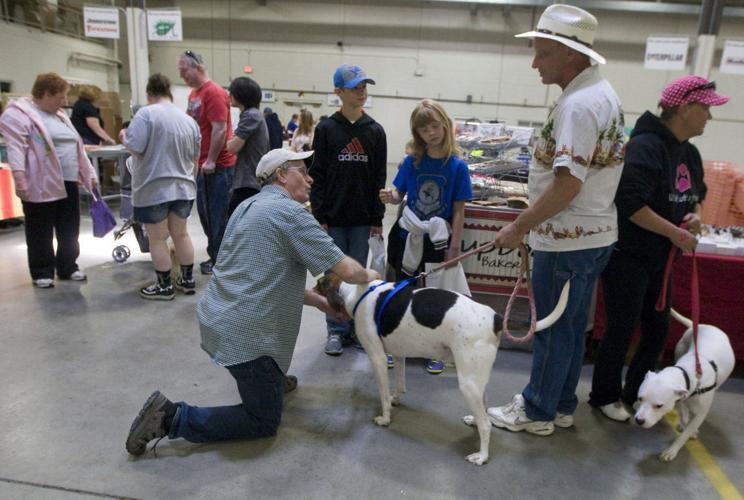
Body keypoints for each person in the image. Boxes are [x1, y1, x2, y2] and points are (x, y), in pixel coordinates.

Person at [125, 148, 380, 456]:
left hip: (218, 319)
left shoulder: (248, 206)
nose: (310, 179)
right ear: (282, 175)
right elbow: (348, 271)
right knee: (262, 421)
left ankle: (270, 381)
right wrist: (372, 273)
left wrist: (317, 301)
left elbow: (262, 275)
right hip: (245, 337)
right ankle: (172, 418)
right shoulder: (291, 213)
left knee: (263, 368)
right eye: (303, 170)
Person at [486, 4, 626, 436]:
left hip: (567, 239)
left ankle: (538, 410)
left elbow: (568, 185)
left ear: (570, 54)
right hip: (590, 235)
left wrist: (518, 226)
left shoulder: (579, 106)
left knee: (550, 327)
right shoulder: (599, 94)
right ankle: (561, 404)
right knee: (566, 328)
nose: (534, 63)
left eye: (542, 53)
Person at [588, 76, 729, 421]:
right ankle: (604, 395)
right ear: (684, 108)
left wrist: (693, 216)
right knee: (622, 327)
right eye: (706, 108)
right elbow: (631, 204)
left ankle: (638, 393)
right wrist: (675, 233)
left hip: (661, 258)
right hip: (630, 256)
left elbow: (697, 195)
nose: (710, 117)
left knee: (657, 331)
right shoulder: (645, 147)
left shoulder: (689, 153)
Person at [379, 100, 472, 375]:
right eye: (423, 129)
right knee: (400, 291)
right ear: (417, 134)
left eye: (434, 126)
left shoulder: (457, 167)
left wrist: (454, 248)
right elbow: (399, 194)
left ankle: (437, 350)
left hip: (437, 241)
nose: (430, 133)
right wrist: (390, 196)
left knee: (436, 296)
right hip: (406, 235)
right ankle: (397, 346)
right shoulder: (411, 162)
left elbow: (458, 210)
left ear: (445, 124)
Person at [310, 63, 387, 356]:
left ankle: (355, 327)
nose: (361, 92)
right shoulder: (327, 129)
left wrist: (377, 218)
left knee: (359, 276)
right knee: (334, 276)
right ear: (338, 92)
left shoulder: (375, 131)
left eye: (364, 87)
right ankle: (335, 329)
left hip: (362, 219)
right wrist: (319, 216)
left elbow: (378, 178)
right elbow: (317, 174)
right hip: (333, 219)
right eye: (355, 88)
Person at [0, 72, 98, 288]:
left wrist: (89, 173)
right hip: (40, 182)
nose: (64, 102)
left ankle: (68, 266)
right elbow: (16, 149)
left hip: (68, 179)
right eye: (60, 96)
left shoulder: (60, 115)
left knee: (69, 226)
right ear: (45, 94)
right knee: (40, 227)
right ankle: (42, 271)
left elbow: (78, 146)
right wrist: (20, 179)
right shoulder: (18, 115)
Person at [121, 73, 201, 300]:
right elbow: (195, 158)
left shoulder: (146, 114)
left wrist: (124, 136)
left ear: (149, 94)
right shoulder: (189, 121)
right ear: (170, 94)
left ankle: (164, 286)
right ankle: (187, 280)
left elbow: (135, 147)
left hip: (154, 187)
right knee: (181, 234)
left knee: (157, 239)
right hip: (184, 186)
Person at [178, 50, 236, 275]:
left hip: (217, 167)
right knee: (205, 215)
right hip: (201, 165)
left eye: (185, 71)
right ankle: (216, 254)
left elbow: (220, 128)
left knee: (216, 215)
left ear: (198, 68)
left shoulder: (213, 92)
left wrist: (211, 160)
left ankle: (220, 260)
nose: (183, 76)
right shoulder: (195, 94)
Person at [225, 76, 269, 219]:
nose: (229, 95)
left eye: (232, 92)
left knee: (236, 224)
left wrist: (226, 137)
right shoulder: (254, 115)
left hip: (248, 182)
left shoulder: (251, 116)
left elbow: (232, 147)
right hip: (251, 181)